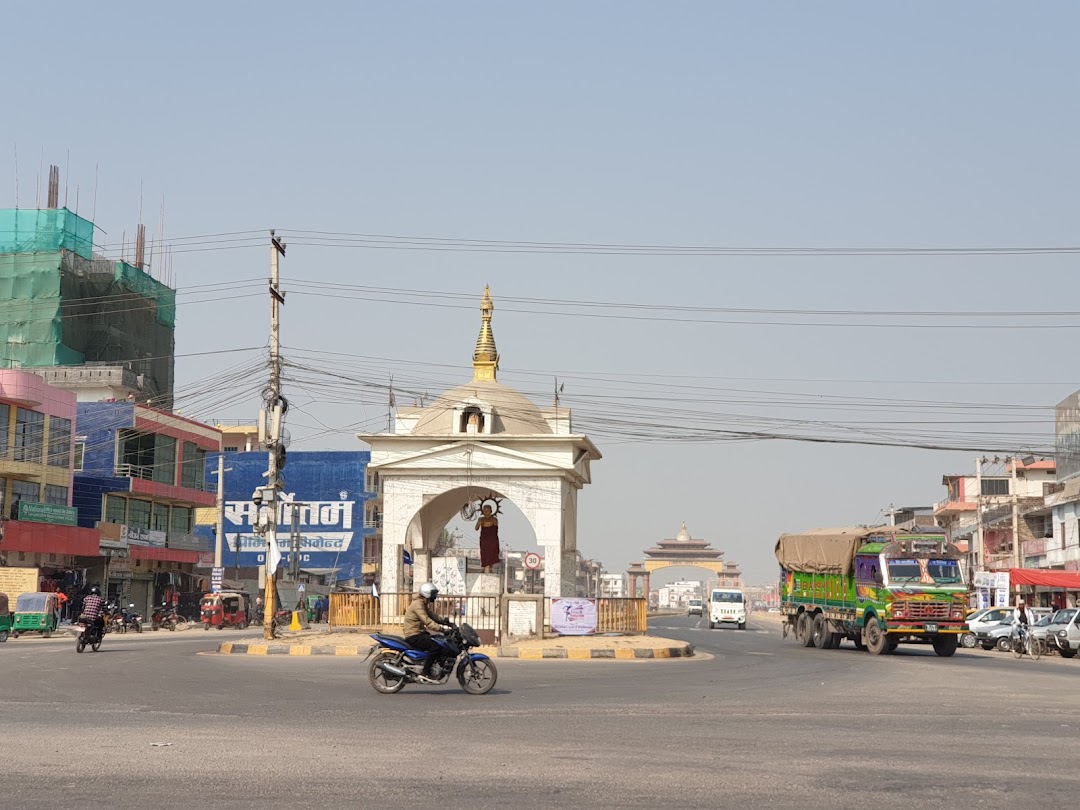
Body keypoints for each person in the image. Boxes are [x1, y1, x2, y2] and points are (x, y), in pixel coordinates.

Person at [403, 582, 453, 683]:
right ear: (426, 594)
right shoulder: (418, 605)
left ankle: (432, 666)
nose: (434, 597)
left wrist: (446, 622)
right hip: (413, 635)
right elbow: (427, 621)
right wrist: (442, 629)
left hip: (419, 633)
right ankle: (425, 672)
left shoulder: (422, 603)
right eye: (433, 594)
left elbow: (432, 616)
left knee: (439, 640)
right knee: (435, 646)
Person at [475, 503, 501, 573]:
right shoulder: (481, 519)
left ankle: (490, 566)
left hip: (492, 539)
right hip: (484, 539)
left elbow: (495, 530)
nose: (486, 512)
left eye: (487, 510)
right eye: (484, 510)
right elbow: (476, 528)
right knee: (484, 552)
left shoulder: (494, 519)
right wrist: (479, 523)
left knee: (492, 552)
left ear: (491, 511)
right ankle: (484, 565)